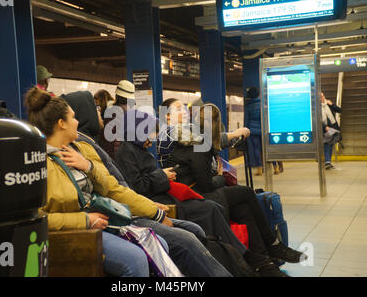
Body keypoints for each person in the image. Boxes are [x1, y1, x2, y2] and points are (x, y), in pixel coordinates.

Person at [24, 87, 231, 277]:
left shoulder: (83, 150)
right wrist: (85, 220)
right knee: (141, 258)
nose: (77, 122)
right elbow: (37, 218)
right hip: (84, 230)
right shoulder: (38, 162)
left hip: (111, 216)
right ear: (61, 123)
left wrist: (89, 167)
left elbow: (113, 187)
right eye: (73, 117)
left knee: (179, 238)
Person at [115, 108, 293, 277]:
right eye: (147, 132)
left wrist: (162, 176)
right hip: (159, 201)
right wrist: (162, 175)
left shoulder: (139, 150)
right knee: (216, 206)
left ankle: (251, 258)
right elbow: (137, 186)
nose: (151, 138)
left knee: (226, 207)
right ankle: (251, 257)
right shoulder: (127, 152)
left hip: (167, 195)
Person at [168, 103, 307, 268]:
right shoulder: (189, 142)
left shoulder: (192, 136)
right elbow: (206, 184)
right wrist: (219, 177)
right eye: (178, 109)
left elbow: (214, 145)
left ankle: (263, 262)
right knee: (247, 193)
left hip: (197, 190)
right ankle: (273, 245)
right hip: (196, 195)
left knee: (244, 209)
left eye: (184, 109)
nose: (183, 112)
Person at [157, 98, 250, 169]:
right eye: (179, 109)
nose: (185, 112)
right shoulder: (169, 132)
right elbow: (206, 141)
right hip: (182, 183)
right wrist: (234, 134)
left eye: (184, 108)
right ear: (167, 115)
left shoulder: (183, 129)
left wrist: (234, 138)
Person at [99, 80, 136, 160]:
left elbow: (111, 140)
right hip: (126, 154)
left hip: (114, 155)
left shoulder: (112, 111)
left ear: (117, 95)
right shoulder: (130, 112)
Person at [244, 87, 263, 176]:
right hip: (264, 130)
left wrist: (245, 130)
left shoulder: (249, 106)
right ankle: (275, 167)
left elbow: (246, 120)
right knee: (266, 149)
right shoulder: (263, 104)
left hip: (253, 131)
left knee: (256, 149)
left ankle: (259, 168)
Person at [321, 92, 342, 170]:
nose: (322, 98)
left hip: (333, 126)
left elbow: (339, 110)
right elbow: (316, 120)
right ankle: (327, 162)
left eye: (323, 96)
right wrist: (324, 127)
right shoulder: (316, 107)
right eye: (320, 97)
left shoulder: (328, 104)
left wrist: (332, 104)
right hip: (324, 128)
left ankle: (328, 162)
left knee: (331, 144)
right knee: (326, 143)